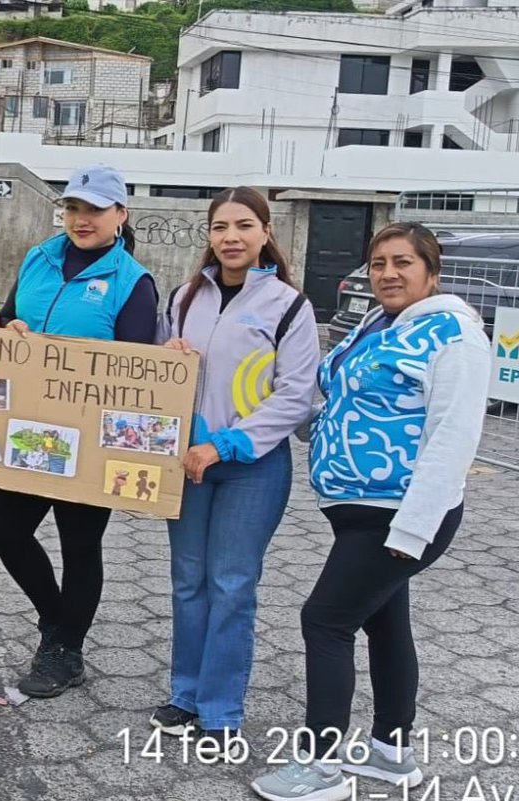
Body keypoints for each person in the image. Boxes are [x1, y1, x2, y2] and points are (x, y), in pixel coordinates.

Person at [251, 223, 490, 801]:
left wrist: (412, 531)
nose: (387, 273)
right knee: (385, 623)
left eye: (402, 262)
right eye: (378, 263)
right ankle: (391, 753)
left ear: (431, 272)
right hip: (359, 511)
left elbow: (452, 439)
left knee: (325, 621)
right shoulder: (378, 323)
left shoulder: (453, 336)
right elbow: (343, 397)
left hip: (397, 515)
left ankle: (321, 767)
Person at [152, 187, 320, 754]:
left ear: (265, 232)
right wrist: (167, 356)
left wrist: (225, 445)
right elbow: (158, 375)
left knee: (232, 585)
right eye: (220, 226)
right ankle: (185, 693)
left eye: (244, 225)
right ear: (208, 235)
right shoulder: (182, 298)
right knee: (187, 581)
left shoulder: (290, 306)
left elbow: (296, 396)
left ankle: (221, 711)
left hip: (252, 468)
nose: (231, 237)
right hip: (189, 462)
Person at [0, 164, 158, 698]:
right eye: (74, 209)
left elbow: (136, 371)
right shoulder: (39, 258)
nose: (81, 220)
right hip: (29, 433)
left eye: (95, 210)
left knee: (80, 545)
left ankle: (66, 651)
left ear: (120, 215)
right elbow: (10, 315)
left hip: (89, 439)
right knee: (4, 531)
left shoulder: (133, 282)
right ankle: (57, 620)